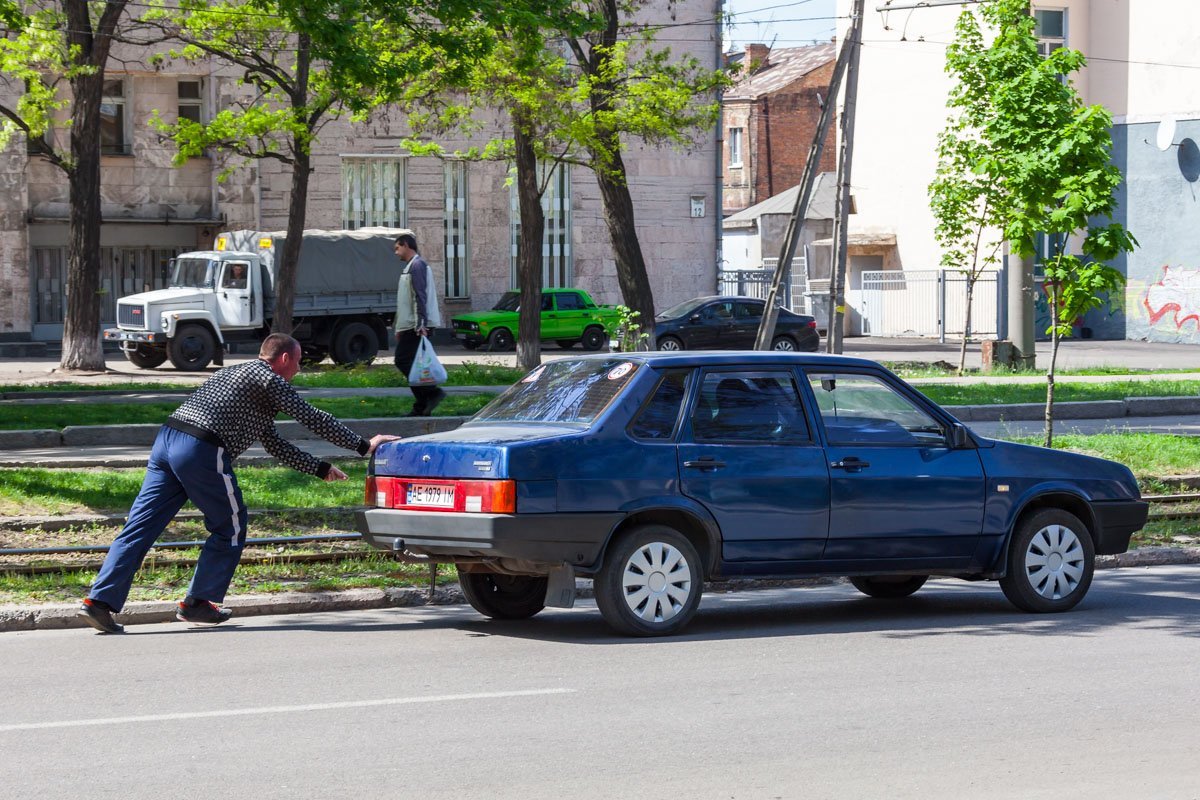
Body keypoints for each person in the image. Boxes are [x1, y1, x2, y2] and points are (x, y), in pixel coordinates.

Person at [78, 333, 401, 634]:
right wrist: (363, 445)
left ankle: (100, 602)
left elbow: (274, 444)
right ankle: (199, 603)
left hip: (167, 440)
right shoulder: (268, 379)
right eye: (299, 362)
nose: (299, 370)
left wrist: (319, 468)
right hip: (201, 448)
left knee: (140, 526)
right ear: (285, 358)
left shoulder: (239, 376)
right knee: (231, 526)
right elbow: (310, 416)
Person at [392, 232, 446, 416]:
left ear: (406, 245)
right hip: (411, 325)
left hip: (418, 326)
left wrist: (420, 324)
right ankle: (423, 405)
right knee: (415, 365)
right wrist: (399, 327)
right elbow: (406, 300)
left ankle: (431, 394)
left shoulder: (417, 265)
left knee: (403, 360)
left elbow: (419, 296)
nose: (396, 252)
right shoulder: (411, 266)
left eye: (397, 248)